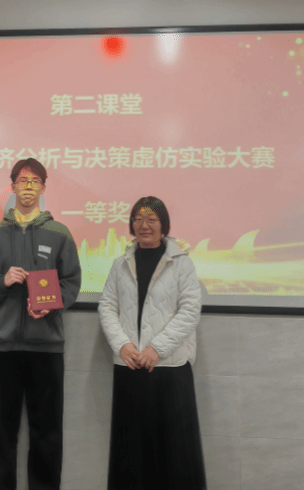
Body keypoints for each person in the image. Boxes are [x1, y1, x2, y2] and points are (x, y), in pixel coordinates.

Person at [0, 157, 81, 490]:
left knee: (47, 434)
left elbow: (71, 283)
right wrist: (2, 281)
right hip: (3, 348)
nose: (28, 186)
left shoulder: (59, 234)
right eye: (22, 180)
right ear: (13, 186)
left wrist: (49, 306)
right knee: (3, 435)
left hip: (46, 347)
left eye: (35, 181)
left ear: (43, 188)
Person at [98, 196, 207, 490]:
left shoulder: (182, 264)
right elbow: (107, 307)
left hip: (170, 367)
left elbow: (190, 311)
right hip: (130, 364)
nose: (144, 225)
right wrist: (122, 345)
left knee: (176, 449)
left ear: (163, 225)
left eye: (152, 219)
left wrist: (157, 348)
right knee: (130, 449)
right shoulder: (120, 264)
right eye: (138, 219)